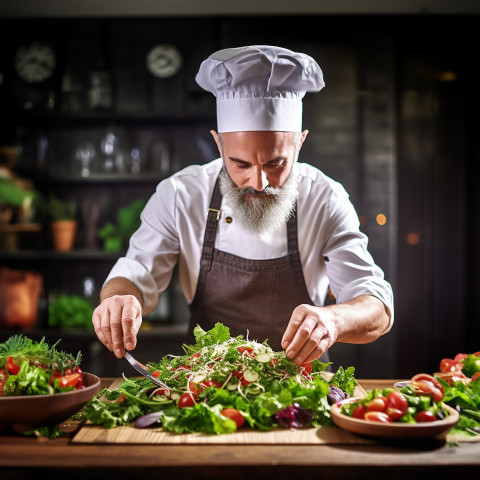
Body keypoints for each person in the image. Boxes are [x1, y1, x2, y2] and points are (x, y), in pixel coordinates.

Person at [92, 45, 394, 366]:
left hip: (303, 392)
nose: (258, 182)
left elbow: (376, 306)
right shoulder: (180, 194)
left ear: (300, 142)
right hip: (205, 389)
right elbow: (137, 272)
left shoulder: (325, 197)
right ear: (219, 145)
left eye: (276, 163)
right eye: (240, 164)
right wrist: (118, 300)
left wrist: (334, 321)